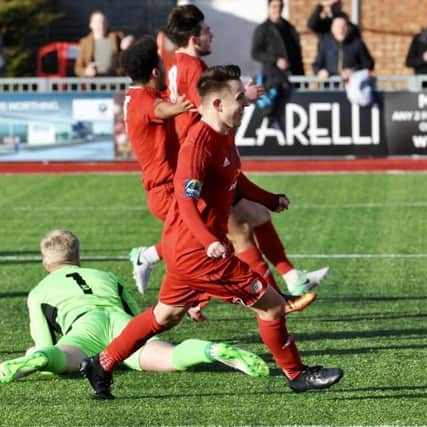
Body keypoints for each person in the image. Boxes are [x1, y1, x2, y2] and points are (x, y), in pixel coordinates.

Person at [80, 65, 344, 400]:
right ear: (217, 104)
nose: (244, 105)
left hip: (183, 249)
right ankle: (296, 374)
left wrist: (270, 199)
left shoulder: (224, 134)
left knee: (166, 314)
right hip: (198, 253)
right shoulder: (197, 147)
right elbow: (186, 201)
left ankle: (101, 363)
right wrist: (209, 242)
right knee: (273, 307)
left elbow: (235, 178)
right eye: (238, 99)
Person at [131, 4, 327, 320]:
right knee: (236, 235)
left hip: (209, 160)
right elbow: (209, 111)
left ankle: (289, 278)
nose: (211, 34)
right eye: (207, 30)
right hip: (203, 164)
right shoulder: (193, 68)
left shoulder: (181, 65)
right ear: (194, 37)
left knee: (257, 214)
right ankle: (275, 298)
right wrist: (245, 97)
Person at [0, 229, 269, 386]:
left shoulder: (39, 291)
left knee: (54, 357)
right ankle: (210, 350)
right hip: (121, 321)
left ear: (45, 263)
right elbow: (139, 319)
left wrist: (41, 353)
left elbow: (43, 338)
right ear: (78, 257)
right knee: (169, 357)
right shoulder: (106, 276)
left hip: (84, 327)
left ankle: (36, 360)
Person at [251, 0, 304, 125]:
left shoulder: (289, 28)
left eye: (280, 6)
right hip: (272, 79)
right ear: (269, 8)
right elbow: (255, 52)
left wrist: (302, 76)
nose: (277, 9)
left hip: (292, 77)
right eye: (274, 6)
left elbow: (297, 54)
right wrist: (275, 60)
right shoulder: (262, 29)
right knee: (273, 111)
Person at [312, 13, 374, 80]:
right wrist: (320, 71)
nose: (340, 29)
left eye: (343, 26)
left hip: (351, 86)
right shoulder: (325, 44)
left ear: (348, 28)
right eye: (337, 26)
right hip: (329, 86)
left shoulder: (357, 44)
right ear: (332, 28)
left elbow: (369, 64)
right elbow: (316, 65)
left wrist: (353, 71)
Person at [75, 11, 123, 77]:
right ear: (91, 24)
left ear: (107, 24)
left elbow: (130, 40)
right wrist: (86, 71)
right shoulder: (85, 42)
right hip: (94, 82)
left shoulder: (115, 37)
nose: (101, 25)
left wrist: (129, 40)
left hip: (114, 80)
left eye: (103, 22)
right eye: (97, 22)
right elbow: (78, 68)